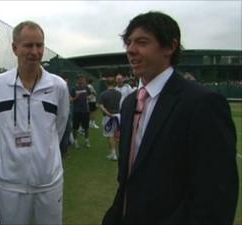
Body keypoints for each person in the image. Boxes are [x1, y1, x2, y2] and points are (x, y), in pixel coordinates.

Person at [102, 11, 239, 225]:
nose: (130, 50)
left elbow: (216, 194)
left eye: (142, 42)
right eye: (128, 42)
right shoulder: (129, 104)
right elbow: (128, 178)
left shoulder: (203, 103)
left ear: (169, 47)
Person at [0, 21, 69, 225]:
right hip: (10, 184)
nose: (35, 52)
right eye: (28, 45)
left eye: (39, 45)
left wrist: (43, 153)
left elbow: (60, 127)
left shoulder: (58, 85)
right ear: (15, 48)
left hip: (49, 182)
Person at [98, 77, 122, 161]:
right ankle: (120, 154)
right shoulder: (119, 93)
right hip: (118, 116)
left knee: (110, 135)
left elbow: (101, 106)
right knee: (118, 136)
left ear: (106, 84)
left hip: (109, 117)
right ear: (115, 83)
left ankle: (113, 154)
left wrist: (108, 114)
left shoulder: (103, 94)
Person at [71, 74, 91, 148]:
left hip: (85, 110)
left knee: (86, 127)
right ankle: (75, 141)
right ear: (77, 80)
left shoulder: (86, 87)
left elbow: (91, 95)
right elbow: (70, 99)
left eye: (82, 79)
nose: (81, 80)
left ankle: (87, 141)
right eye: (79, 79)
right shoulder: (74, 88)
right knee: (75, 128)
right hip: (76, 110)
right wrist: (76, 97)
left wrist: (88, 97)